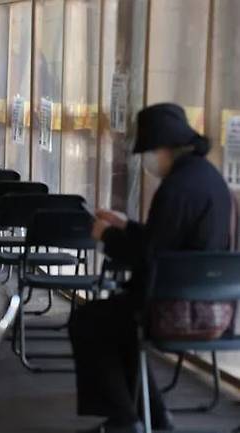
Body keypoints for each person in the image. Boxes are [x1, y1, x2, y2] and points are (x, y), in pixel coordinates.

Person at [69, 103, 232, 433]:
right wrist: (127, 226)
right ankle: (153, 417)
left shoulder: (175, 188)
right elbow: (169, 243)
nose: (148, 159)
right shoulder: (209, 179)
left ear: (164, 147)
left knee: (89, 319)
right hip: (217, 310)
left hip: (173, 309)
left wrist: (108, 236)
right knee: (120, 325)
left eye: (150, 150)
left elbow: (149, 257)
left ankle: (124, 420)